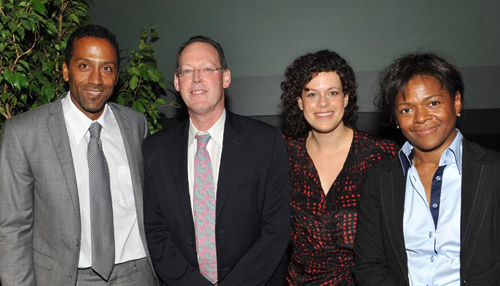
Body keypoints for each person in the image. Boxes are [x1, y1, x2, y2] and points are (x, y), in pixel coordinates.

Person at [0, 25, 157, 285]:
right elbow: (12, 228)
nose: (96, 79)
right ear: (65, 70)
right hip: (67, 277)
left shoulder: (135, 125)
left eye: (107, 68)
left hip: (138, 273)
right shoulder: (23, 133)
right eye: (84, 66)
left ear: (116, 76)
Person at [142, 35, 290, 286]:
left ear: (226, 77)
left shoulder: (265, 141)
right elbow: (156, 232)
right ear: (177, 82)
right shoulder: (155, 150)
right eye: (187, 70)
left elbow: (276, 230)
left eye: (207, 69)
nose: (197, 78)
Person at [354, 52, 500, 285]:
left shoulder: (493, 171)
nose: (421, 117)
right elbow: (369, 265)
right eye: (406, 109)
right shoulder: (380, 179)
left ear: (457, 102)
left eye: (433, 103)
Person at [280, 49, 397, 285]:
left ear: (346, 98)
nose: (323, 103)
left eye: (332, 93)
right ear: (299, 102)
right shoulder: (283, 155)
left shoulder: (382, 155)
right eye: (312, 95)